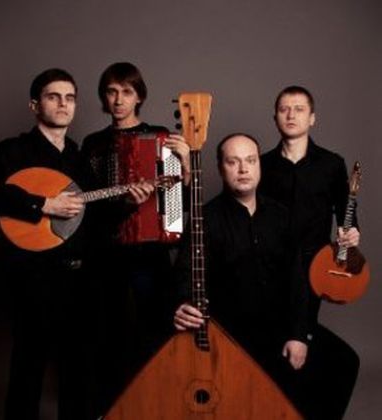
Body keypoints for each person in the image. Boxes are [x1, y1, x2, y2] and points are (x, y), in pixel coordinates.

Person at [0, 68, 87, 420]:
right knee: (28, 369)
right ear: (35, 105)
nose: (63, 104)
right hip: (32, 278)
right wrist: (42, 204)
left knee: (76, 371)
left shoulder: (79, 157)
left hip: (78, 280)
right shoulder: (13, 150)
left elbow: (95, 215)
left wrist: (130, 198)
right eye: (54, 97)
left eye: (70, 98)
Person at [80, 61, 190, 417]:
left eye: (126, 92)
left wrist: (186, 168)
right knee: (108, 333)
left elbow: (177, 204)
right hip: (107, 252)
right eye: (111, 91)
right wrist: (125, 202)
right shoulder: (93, 144)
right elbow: (87, 210)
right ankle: (109, 409)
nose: (118, 100)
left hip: (150, 252)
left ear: (139, 96)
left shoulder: (161, 138)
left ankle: (153, 406)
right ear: (103, 96)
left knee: (154, 328)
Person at [173, 133, 310, 413]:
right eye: (233, 162)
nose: (244, 169)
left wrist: (298, 335)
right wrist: (183, 303)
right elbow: (185, 275)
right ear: (220, 168)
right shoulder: (204, 218)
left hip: (277, 333)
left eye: (250, 160)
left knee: (343, 363)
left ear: (259, 164)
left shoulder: (281, 216)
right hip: (229, 338)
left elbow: (297, 280)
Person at [259, 85, 360, 419]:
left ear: (312, 118)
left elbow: (346, 214)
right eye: (284, 109)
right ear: (275, 117)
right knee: (279, 340)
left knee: (300, 337)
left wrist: (351, 233)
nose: (291, 115)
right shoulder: (262, 165)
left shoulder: (332, 164)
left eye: (299, 109)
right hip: (269, 267)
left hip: (315, 267)